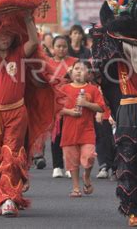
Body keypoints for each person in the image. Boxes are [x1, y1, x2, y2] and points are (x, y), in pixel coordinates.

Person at [0, 14, 38, 217]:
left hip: (17, 113)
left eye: (9, 35)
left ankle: (9, 198)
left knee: (10, 154)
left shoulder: (20, 53)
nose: (4, 38)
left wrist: (28, 19)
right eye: (0, 34)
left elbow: (34, 42)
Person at [59, 60, 105, 197]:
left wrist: (86, 104)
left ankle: (86, 175)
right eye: (76, 68)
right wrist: (69, 112)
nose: (79, 71)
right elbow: (55, 108)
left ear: (89, 74)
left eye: (82, 69)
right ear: (71, 72)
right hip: (69, 131)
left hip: (87, 130)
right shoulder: (64, 89)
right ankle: (75, 187)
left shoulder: (92, 89)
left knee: (89, 157)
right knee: (72, 162)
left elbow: (101, 106)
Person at [47, 35, 76, 177]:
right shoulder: (47, 63)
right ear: (52, 48)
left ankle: (70, 166)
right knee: (56, 135)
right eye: (58, 46)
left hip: (71, 103)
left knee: (70, 136)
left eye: (64, 46)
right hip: (54, 104)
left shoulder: (74, 62)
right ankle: (57, 166)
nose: (61, 49)